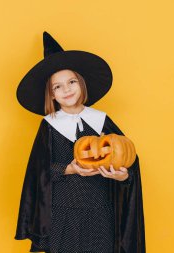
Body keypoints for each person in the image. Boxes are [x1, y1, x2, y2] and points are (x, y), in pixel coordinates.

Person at [14, 31, 145, 253]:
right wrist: (68, 168)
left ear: (82, 84)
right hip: (62, 214)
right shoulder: (49, 125)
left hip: (100, 213)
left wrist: (124, 176)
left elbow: (128, 161)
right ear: (51, 95)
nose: (66, 89)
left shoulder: (102, 121)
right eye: (57, 86)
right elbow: (38, 172)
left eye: (71, 81)